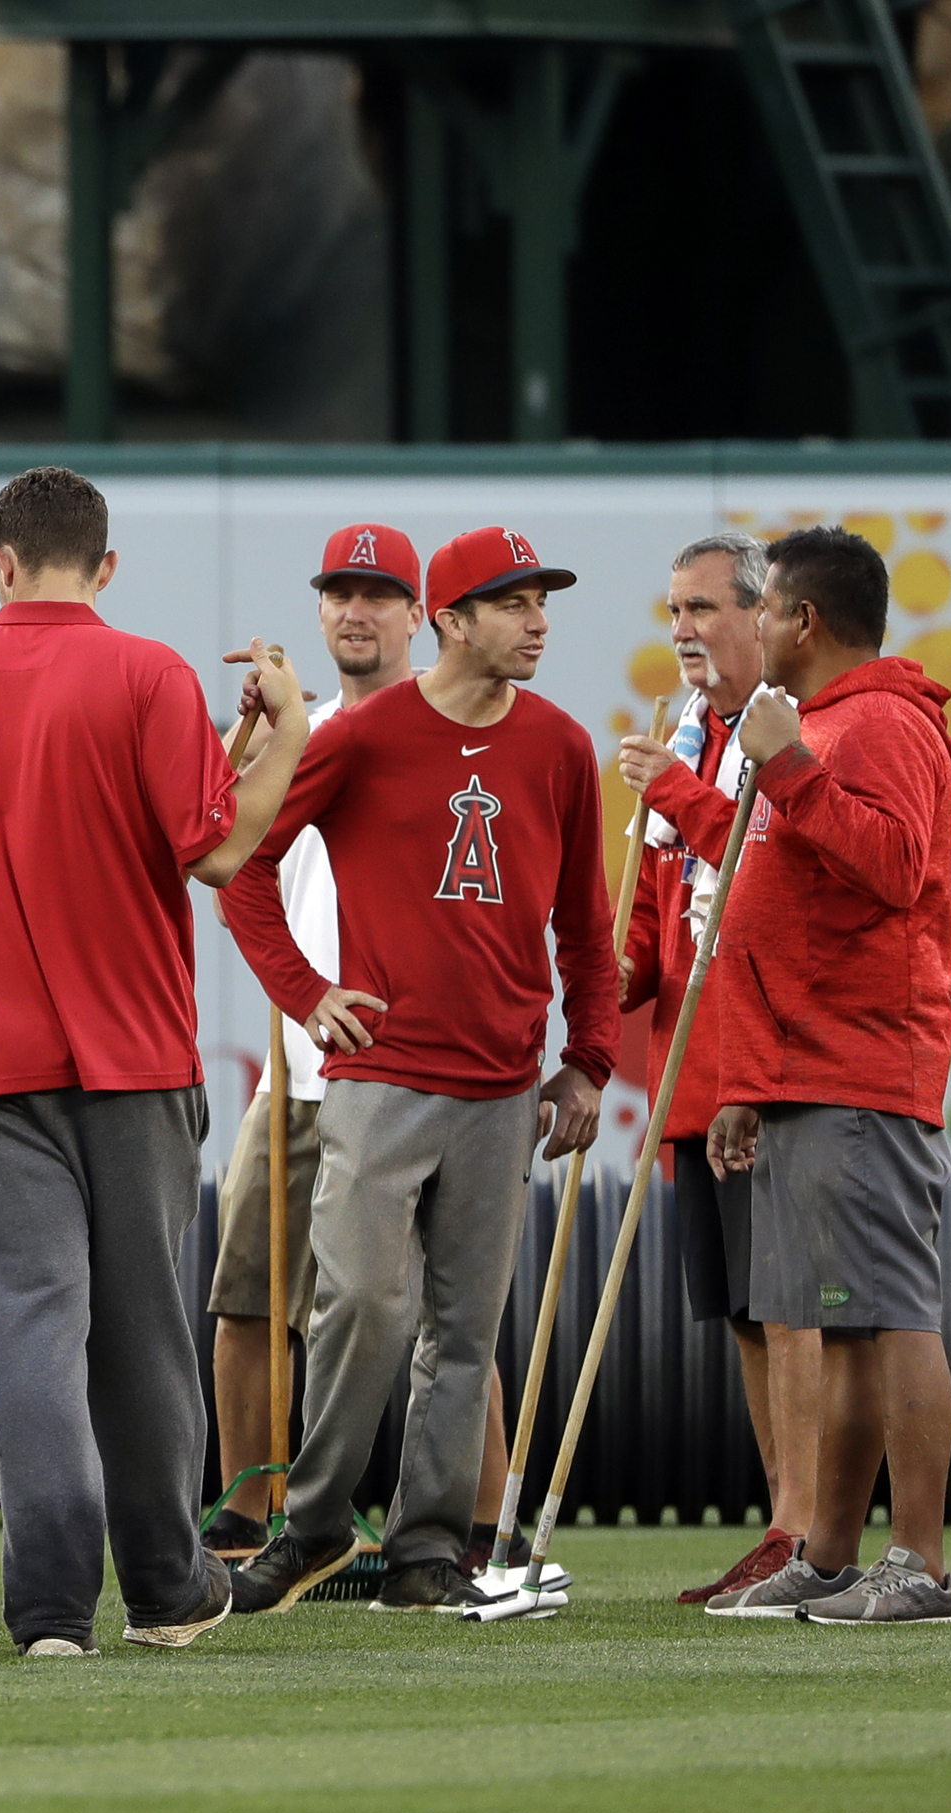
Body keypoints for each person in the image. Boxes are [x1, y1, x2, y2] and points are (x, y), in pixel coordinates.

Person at [0, 465, 308, 1657]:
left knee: (32, 1324)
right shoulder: (150, 670)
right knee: (141, 1328)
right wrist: (291, 733)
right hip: (131, 1055)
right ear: (104, 565)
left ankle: (51, 1609)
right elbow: (215, 850)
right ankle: (166, 1589)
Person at [222, 527, 615, 1616]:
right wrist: (307, 994)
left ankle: (424, 1550)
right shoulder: (366, 734)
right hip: (383, 1073)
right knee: (360, 1302)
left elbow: (584, 925)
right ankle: (309, 1526)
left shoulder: (561, 745)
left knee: (464, 1326)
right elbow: (242, 869)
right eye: (512, 602)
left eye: (542, 602)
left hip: (504, 1085)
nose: (537, 621)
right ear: (449, 620)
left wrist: (586, 1062)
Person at [652, 526, 951, 1626]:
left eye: (768, 608)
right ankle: (829, 1555)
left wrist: (785, 763)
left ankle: (918, 1561)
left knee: (891, 1315)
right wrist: (745, 1077)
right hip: (798, 1071)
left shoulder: (876, 720)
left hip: (863, 1067)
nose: (754, 625)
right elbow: (769, 904)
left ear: (805, 623)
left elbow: (890, 866)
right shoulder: (819, 722)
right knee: (838, 1322)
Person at [613, 533, 791, 1603]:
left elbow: (776, 871)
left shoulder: (780, 724)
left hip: (760, 1064)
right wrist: (604, 975)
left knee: (787, 1307)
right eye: (672, 609)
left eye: (700, 608)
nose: (680, 629)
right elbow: (649, 908)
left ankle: (806, 1526)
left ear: (761, 615)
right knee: (737, 1310)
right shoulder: (691, 730)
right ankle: (783, 1516)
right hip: (687, 1068)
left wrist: (679, 794)